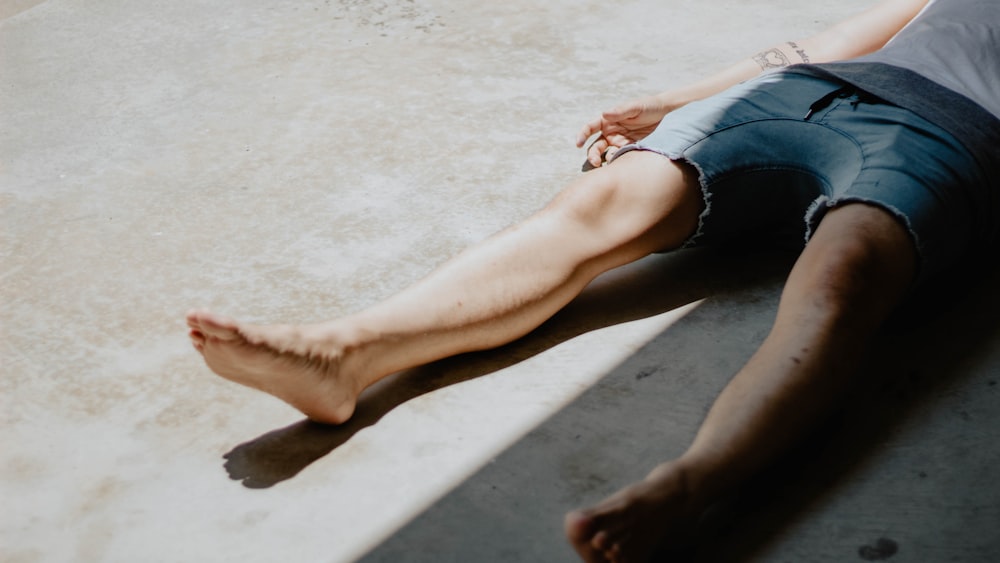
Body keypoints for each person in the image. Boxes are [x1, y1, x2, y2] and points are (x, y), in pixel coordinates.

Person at [186, 0, 999, 560]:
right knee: (602, 202)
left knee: (842, 279)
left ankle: (685, 487)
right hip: (809, 95)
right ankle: (342, 354)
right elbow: (839, 36)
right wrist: (675, 99)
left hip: (949, 140)